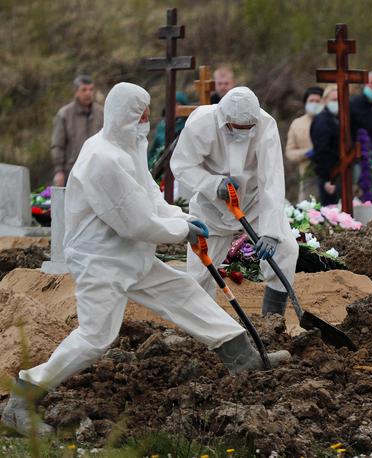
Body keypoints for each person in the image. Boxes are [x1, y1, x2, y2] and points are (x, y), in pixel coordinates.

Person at [1, 83, 290, 437]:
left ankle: (242, 356)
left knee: (184, 291)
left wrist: (180, 217)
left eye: (147, 114)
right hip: (101, 262)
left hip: (132, 256)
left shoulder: (128, 147)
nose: (146, 122)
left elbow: (150, 196)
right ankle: (22, 397)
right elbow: (135, 222)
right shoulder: (101, 159)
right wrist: (181, 231)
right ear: (123, 117)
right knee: (95, 338)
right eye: (141, 115)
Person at [171, 87, 299, 316]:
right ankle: (203, 325)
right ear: (224, 119)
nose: (242, 133)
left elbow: (271, 180)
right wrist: (213, 184)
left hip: (254, 203)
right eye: (236, 128)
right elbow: (182, 165)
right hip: (212, 207)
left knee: (287, 249)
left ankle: (273, 319)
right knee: (200, 272)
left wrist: (271, 231)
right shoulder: (201, 122)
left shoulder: (265, 124)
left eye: (247, 128)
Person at [50, 74, 104, 186]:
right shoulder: (64, 114)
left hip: (97, 170)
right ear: (76, 92)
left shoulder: (101, 113)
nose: (88, 93)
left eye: (91, 89)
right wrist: (59, 171)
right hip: (72, 172)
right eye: (84, 90)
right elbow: (58, 145)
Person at [285, 87, 324, 201]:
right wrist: (307, 153)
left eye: (318, 101)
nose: (315, 104)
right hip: (307, 173)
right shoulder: (297, 124)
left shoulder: (329, 122)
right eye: (311, 101)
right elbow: (290, 152)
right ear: (305, 103)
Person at [310, 85, 341, 206]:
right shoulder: (323, 120)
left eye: (339, 100)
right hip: (329, 175)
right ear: (325, 100)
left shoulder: (337, 118)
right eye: (334, 100)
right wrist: (328, 178)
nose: (337, 103)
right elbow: (322, 151)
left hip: (338, 173)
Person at [147, 91, 190, 169]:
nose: (174, 108)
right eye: (172, 105)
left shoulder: (187, 125)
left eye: (177, 105)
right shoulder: (162, 125)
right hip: (159, 163)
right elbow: (154, 148)